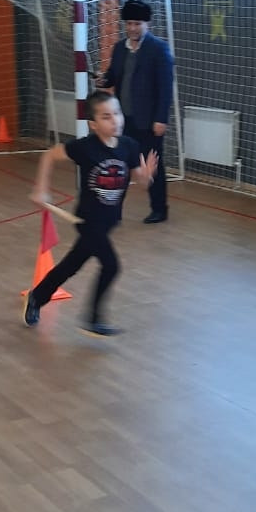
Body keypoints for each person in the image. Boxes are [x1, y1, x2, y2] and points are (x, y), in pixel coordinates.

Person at [25, 91, 157, 337]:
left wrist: (147, 177)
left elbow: (140, 180)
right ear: (93, 124)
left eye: (117, 113)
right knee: (111, 266)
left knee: (71, 266)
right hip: (88, 221)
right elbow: (49, 155)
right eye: (106, 117)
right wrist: (41, 188)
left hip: (109, 221)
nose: (115, 120)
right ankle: (93, 319)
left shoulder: (128, 146)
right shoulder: (85, 147)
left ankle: (37, 297)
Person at [101, 0, 174, 224]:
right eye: (129, 23)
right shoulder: (119, 48)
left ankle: (159, 209)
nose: (132, 28)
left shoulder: (158, 49)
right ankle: (114, 212)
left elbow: (165, 88)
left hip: (148, 121)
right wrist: (103, 80)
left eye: (137, 24)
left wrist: (161, 119)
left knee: (152, 166)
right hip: (123, 120)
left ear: (146, 24)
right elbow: (113, 76)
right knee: (119, 165)